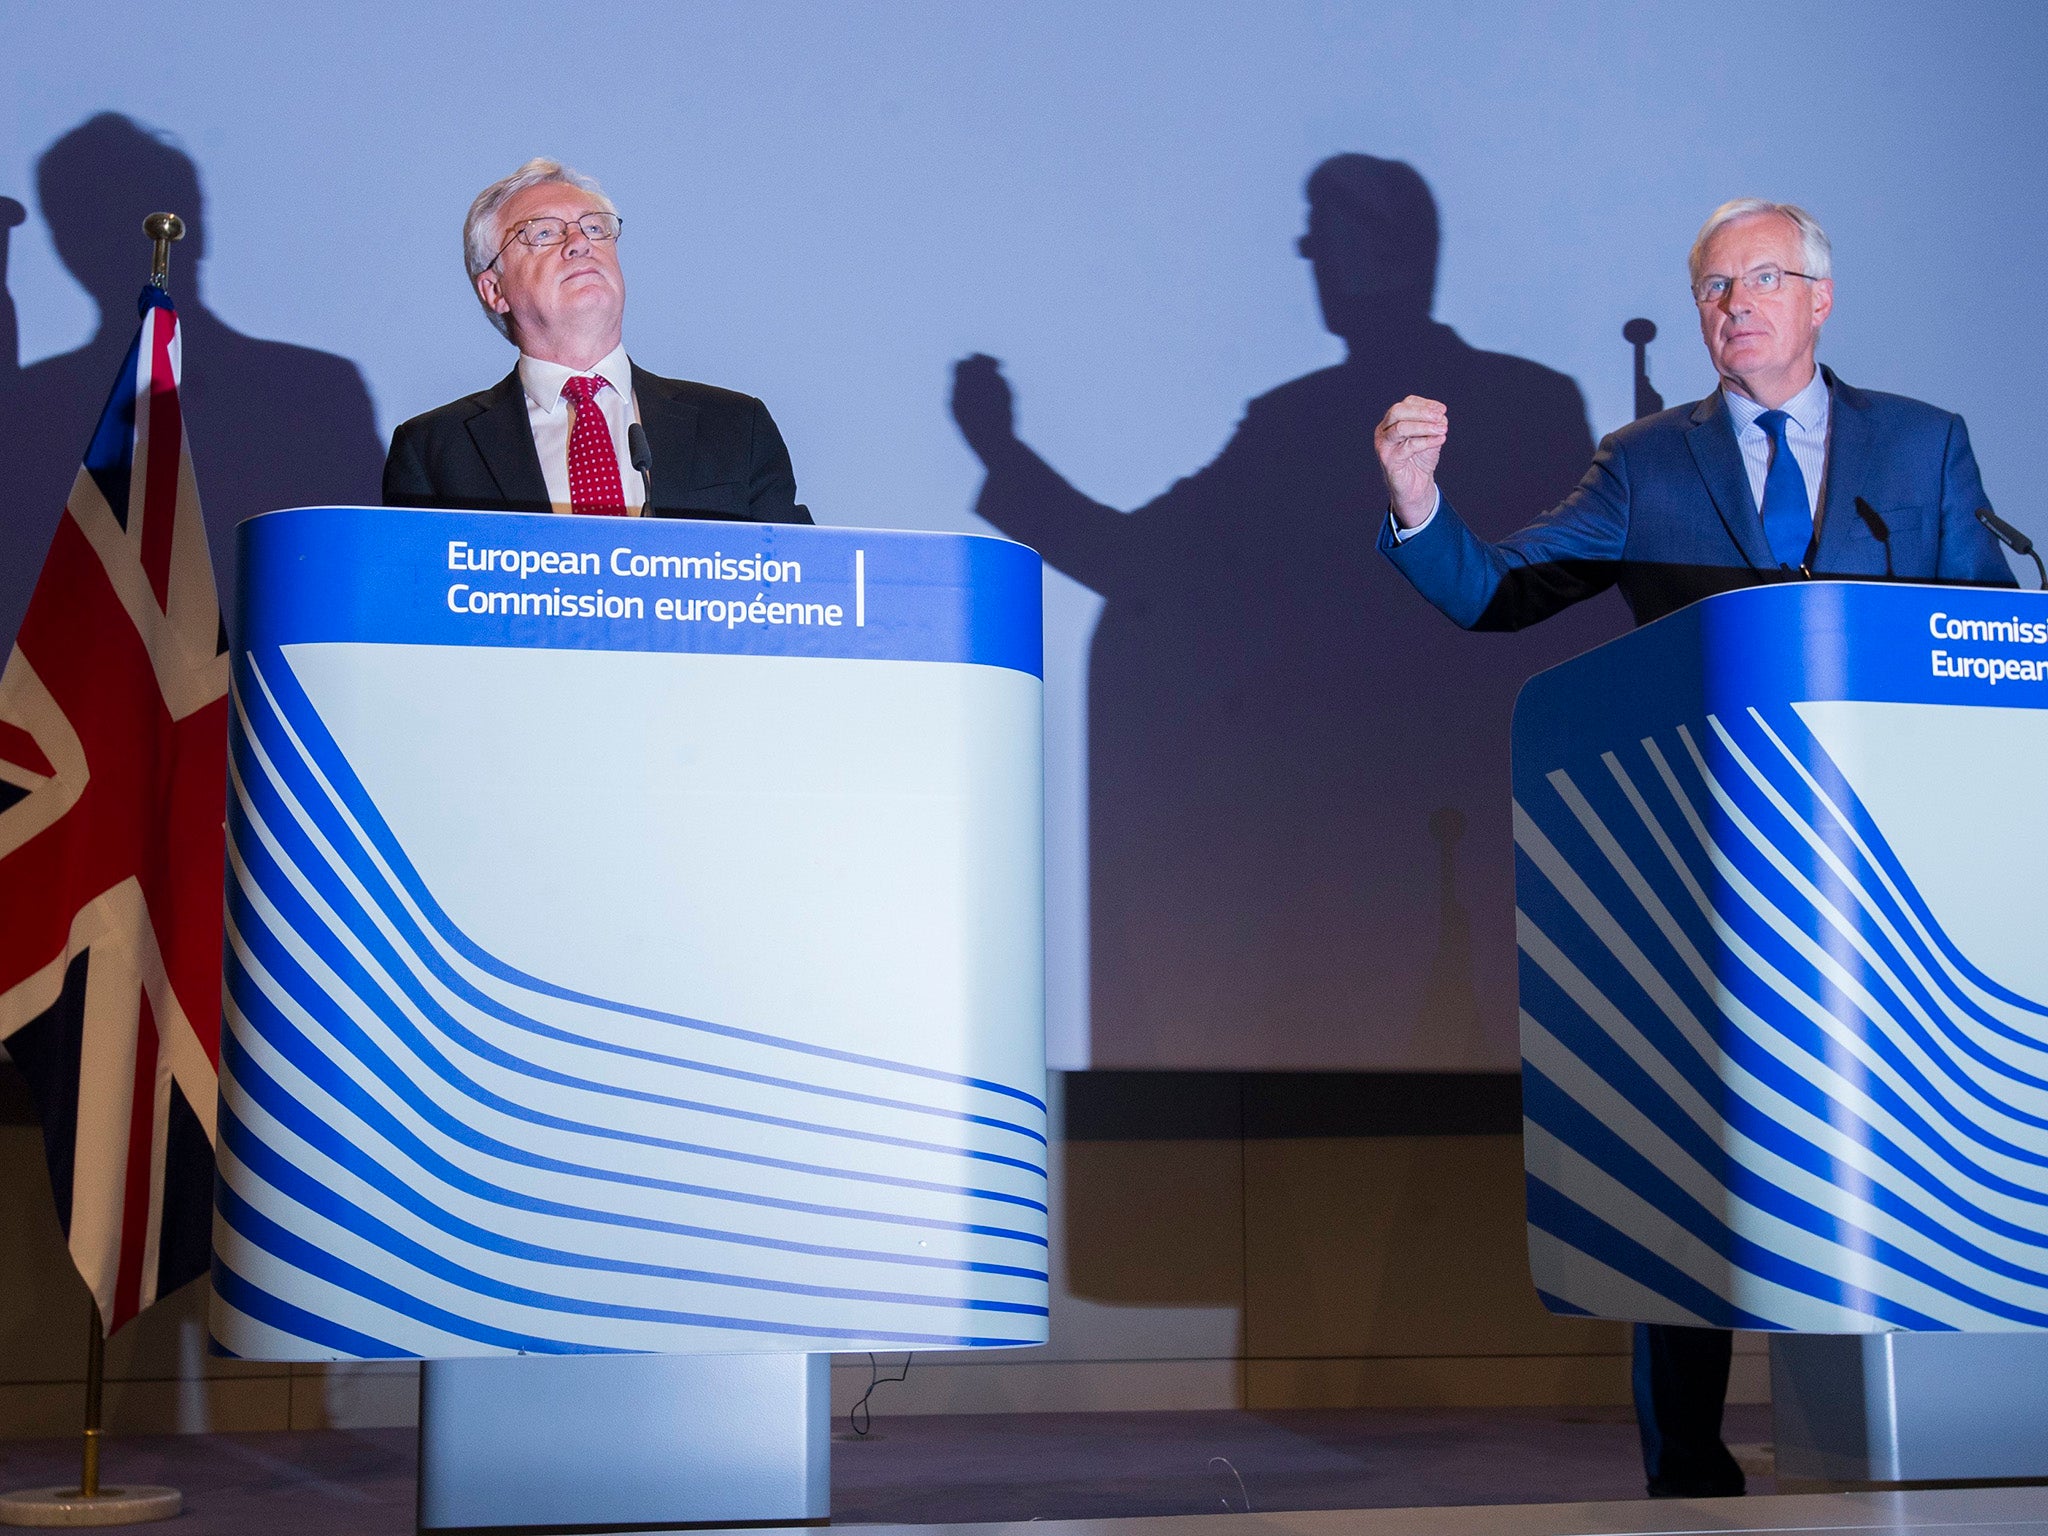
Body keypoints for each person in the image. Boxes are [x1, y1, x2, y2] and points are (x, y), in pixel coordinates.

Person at [1374, 198, 2016, 1498]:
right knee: (1697, 1159)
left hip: (1905, 890)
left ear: (1820, 299)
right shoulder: (1646, 465)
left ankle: (1945, 1421)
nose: (1734, 306)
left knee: (1936, 1136)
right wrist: (1418, 502)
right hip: (1705, 882)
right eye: (1713, 290)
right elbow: (1501, 591)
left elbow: (1988, 652)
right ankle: (1687, 1471)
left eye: (1761, 280)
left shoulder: (1926, 449)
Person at [951, 155, 1615, 1072]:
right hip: (1410, 872)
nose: (1306, 251)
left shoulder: (1311, 425)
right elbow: (1149, 570)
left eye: (1323, 232)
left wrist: (1001, 451)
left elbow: (1137, 564)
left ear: (1382, 251)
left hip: (1392, 872)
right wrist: (1003, 454)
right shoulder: (1512, 401)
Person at [384, 158, 809, 524]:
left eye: (594, 227)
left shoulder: (734, 427)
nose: (580, 243)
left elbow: (801, 586)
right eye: (544, 233)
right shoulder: (435, 451)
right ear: (495, 290)